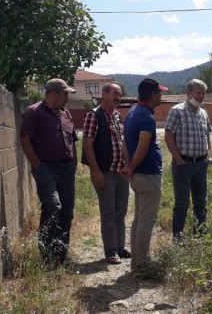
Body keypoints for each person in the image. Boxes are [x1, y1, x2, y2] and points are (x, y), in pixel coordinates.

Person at [20, 78, 80, 266]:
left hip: (67, 169)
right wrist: (37, 165)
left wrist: (74, 162)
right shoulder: (34, 112)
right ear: (53, 94)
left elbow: (72, 140)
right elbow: (24, 139)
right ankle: (46, 255)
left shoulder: (66, 113)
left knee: (67, 211)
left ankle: (61, 256)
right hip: (47, 168)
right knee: (53, 205)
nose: (67, 98)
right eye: (65, 94)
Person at [82, 82, 132, 264]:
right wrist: (95, 172)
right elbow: (87, 144)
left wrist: (129, 166)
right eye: (114, 93)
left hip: (121, 173)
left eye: (120, 94)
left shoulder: (118, 117)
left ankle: (120, 247)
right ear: (104, 94)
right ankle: (111, 250)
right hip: (104, 172)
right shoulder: (94, 115)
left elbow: (123, 144)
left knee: (121, 211)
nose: (118, 97)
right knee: (108, 213)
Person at [123, 78, 168, 274]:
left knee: (138, 220)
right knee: (146, 222)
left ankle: (136, 262)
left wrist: (129, 166)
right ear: (153, 95)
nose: (161, 96)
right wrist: (131, 166)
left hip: (138, 175)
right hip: (147, 175)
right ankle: (142, 264)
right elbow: (142, 147)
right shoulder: (147, 118)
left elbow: (125, 144)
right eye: (160, 93)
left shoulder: (132, 112)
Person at [164, 79, 212, 241]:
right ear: (189, 93)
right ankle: (178, 237)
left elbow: (208, 136)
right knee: (182, 204)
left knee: (201, 203)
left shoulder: (203, 113)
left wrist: (208, 155)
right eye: (197, 92)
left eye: (202, 93)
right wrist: (178, 159)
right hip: (183, 165)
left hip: (200, 164)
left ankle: (200, 236)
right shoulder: (176, 111)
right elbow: (168, 136)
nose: (200, 96)